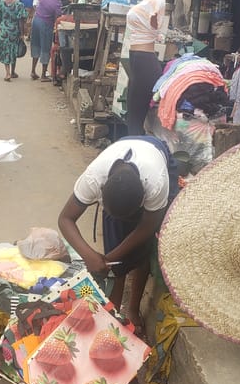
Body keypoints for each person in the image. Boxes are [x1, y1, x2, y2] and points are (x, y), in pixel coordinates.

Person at [58, 136, 178, 336]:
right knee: (117, 257)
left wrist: (111, 257)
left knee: (144, 249)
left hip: (156, 152)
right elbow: (65, 219)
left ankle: (132, 308)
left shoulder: (157, 184)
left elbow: (147, 226)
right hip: (125, 151)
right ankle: (111, 314)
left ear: (143, 198)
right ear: (102, 192)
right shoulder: (94, 179)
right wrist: (90, 255)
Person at [125, 0, 166, 134]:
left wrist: (154, 16)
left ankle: (135, 153)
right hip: (138, 60)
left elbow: (155, 21)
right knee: (133, 118)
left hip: (145, 62)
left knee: (135, 121)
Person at [30, 0, 69, 82]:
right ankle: (43, 75)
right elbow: (58, 19)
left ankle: (33, 71)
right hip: (45, 24)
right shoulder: (57, 4)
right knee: (45, 49)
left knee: (36, 46)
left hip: (36, 21)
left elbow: (40, 3)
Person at [0, 0, 27, 82]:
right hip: (14, 31)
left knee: (6, 51)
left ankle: (7, 72)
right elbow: (21, 21)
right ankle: (12, 72)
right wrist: (22, 33)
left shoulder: (1, 3)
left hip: (4, 30)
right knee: (13, 51)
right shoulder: (19, 5)